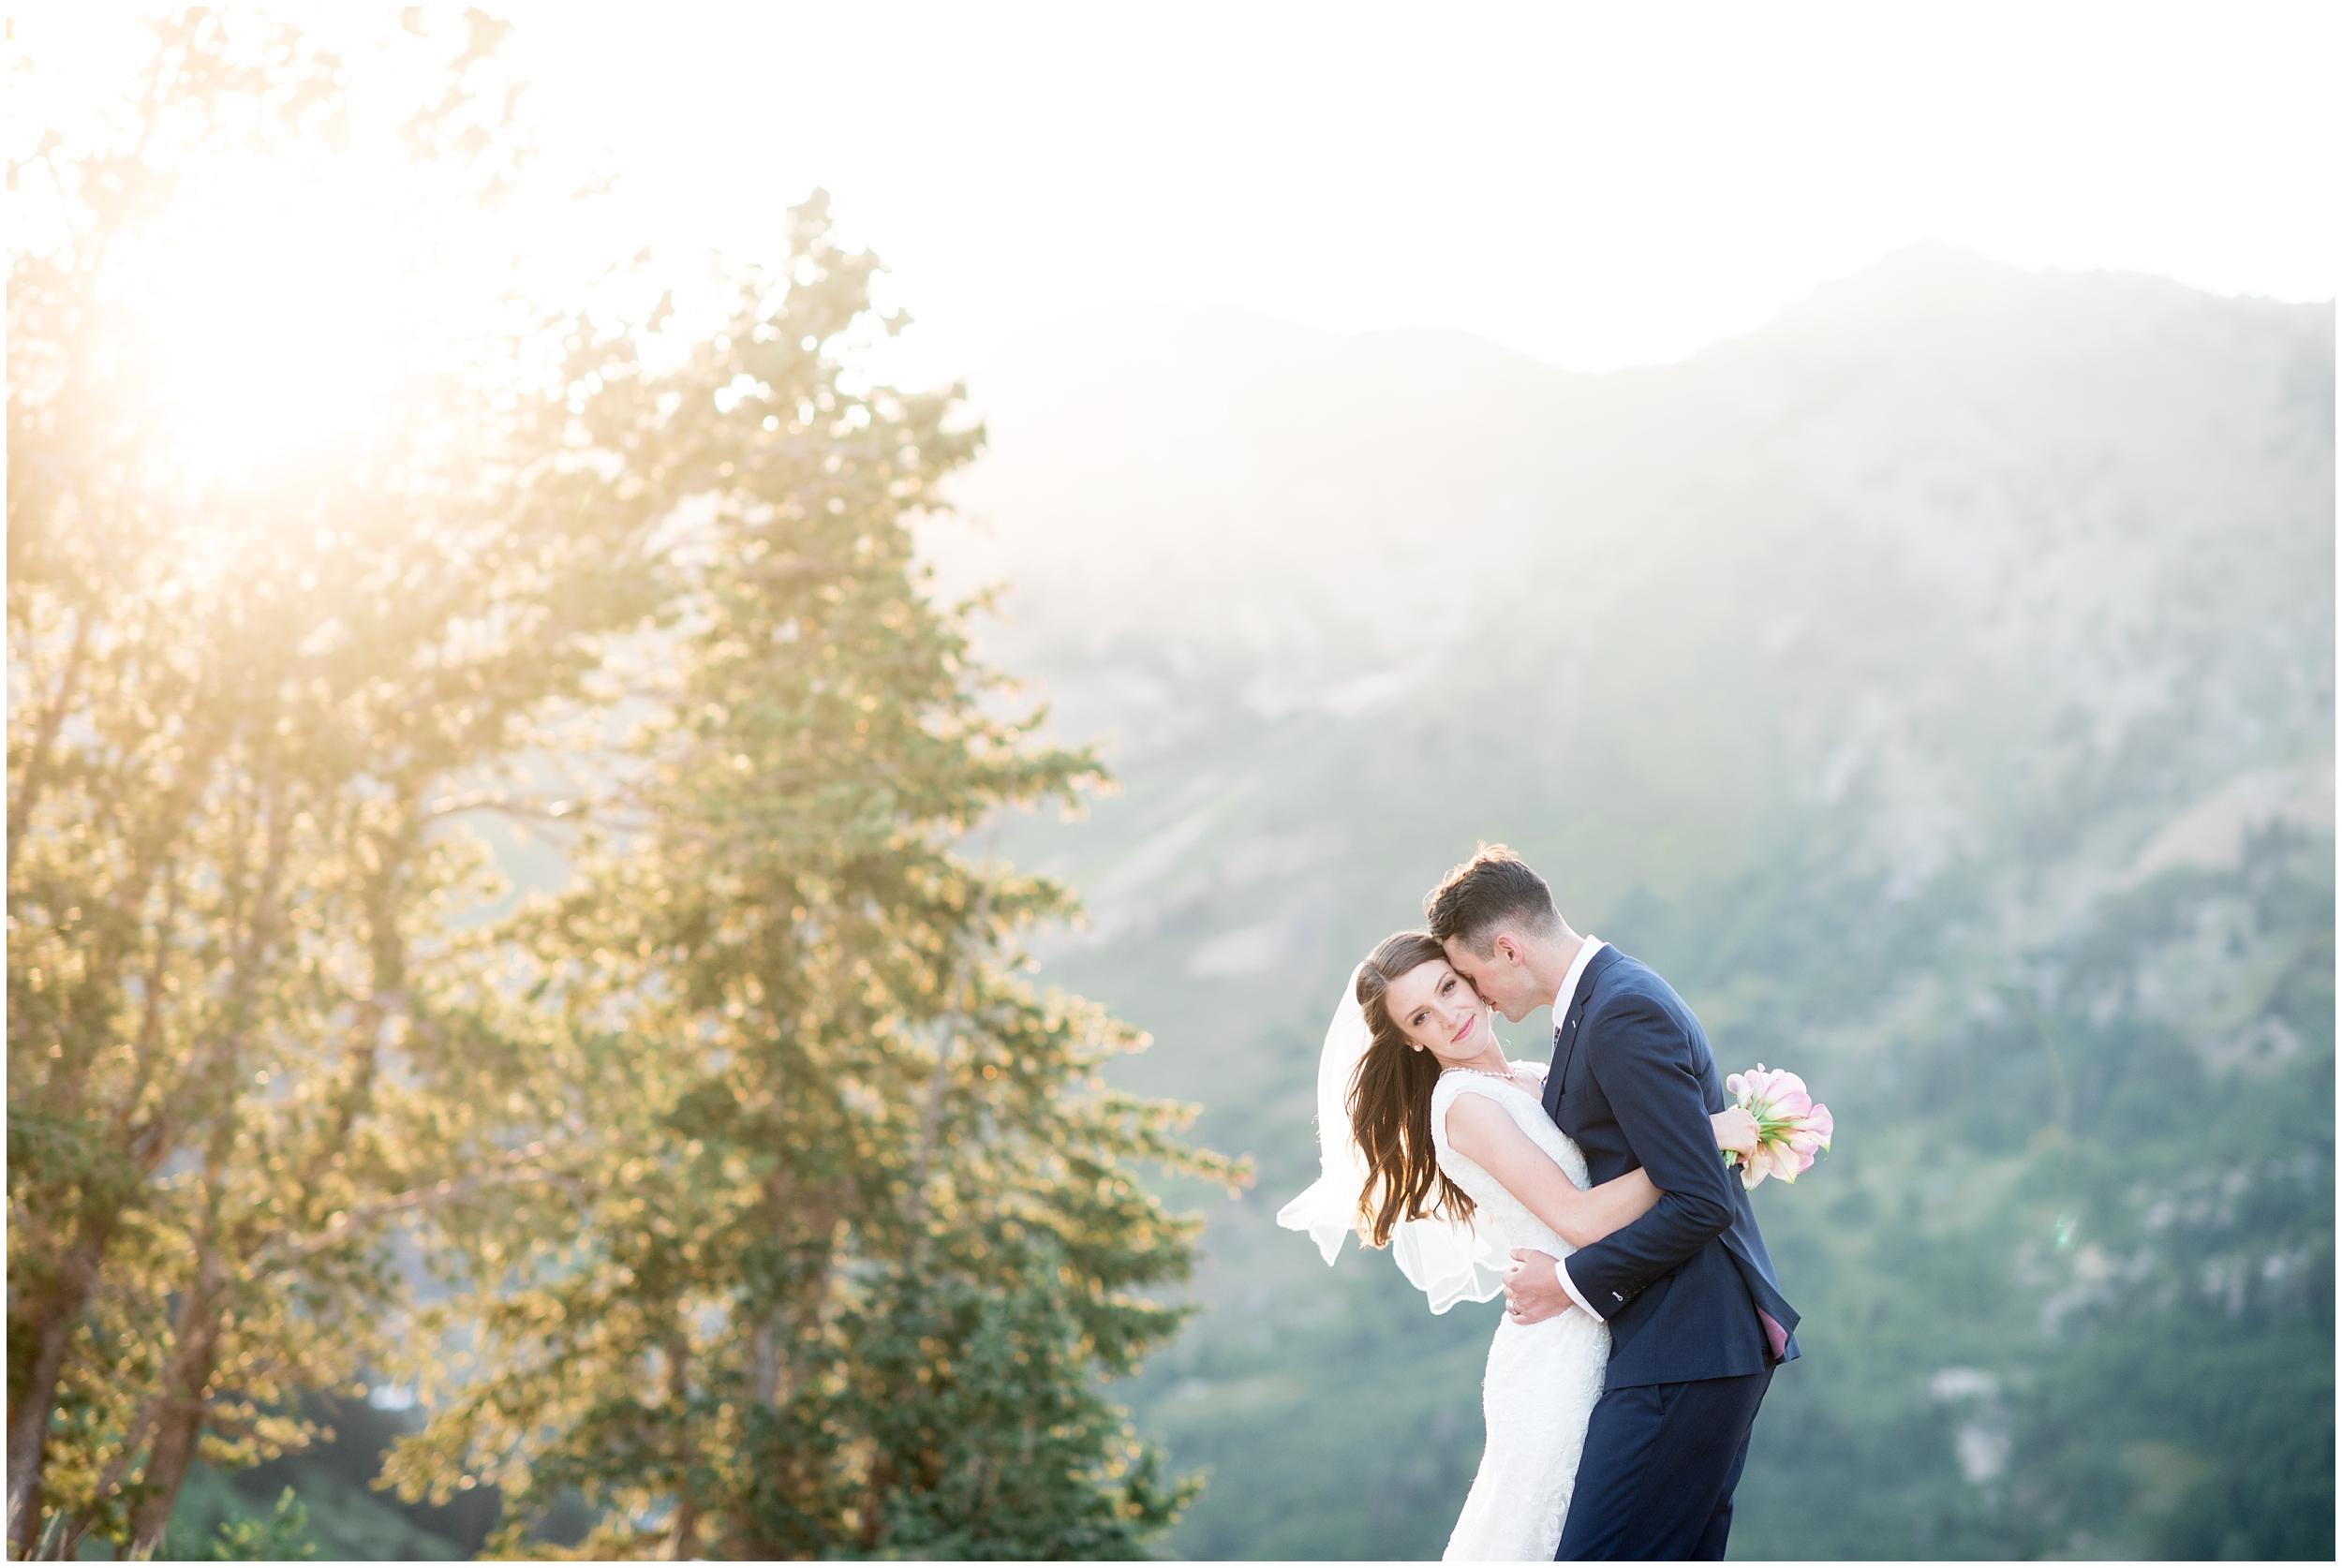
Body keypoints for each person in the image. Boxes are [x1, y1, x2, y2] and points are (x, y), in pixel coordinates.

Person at [1282, 927, 1761, 1561]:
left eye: (1449, 987)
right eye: (1422, 1015)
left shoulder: (1536, 1077)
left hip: (1605, 1317)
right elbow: (1580, 1218)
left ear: (1472, 978)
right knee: (1547, 1528)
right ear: (1408, 1038)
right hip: (1555, 1349)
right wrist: (1706, 1137)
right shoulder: (1462, 1106)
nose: (1450, 1015)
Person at [1427, 846, 1799, 1560]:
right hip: (1674, 1342)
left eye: (1470, 978)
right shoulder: (1598, 1005)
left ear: (1507, 949)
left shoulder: (1619, 1012)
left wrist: (1567, 1284)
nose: (1477, 998)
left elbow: (1699, 1200)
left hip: (1685, 1341)